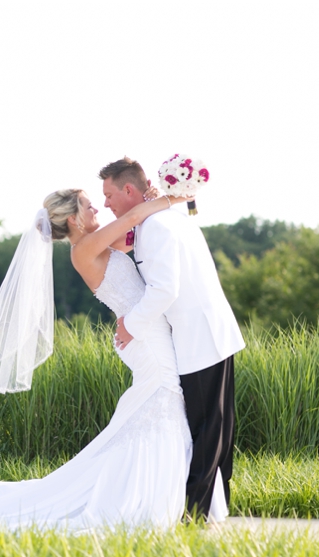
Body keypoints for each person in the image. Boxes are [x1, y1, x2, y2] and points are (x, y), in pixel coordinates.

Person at [0, 187, 228, 531]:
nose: (97, 206)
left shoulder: (99, 242)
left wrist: (157, 206)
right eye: (88, 203)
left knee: (160, 405)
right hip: (144, 339)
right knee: (165, 401)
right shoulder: (84, 249)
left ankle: (165, 492)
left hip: (144, 333)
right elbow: (130, 219)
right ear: (73, 218)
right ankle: (158, 497)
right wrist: (176, 196)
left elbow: (137, 234)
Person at [101, 156, 245, 521]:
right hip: (212, 333)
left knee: (207, 427)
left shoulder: (157, 228)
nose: (106, 204)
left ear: (129, 190)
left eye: (108, 194)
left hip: (200, 337)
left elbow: (165, 289)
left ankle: (196, 513)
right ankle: (217, 507)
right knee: (219, 424)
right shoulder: (165, 219)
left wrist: (130, 325)